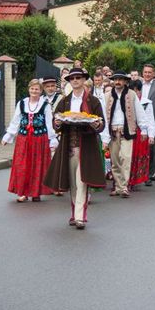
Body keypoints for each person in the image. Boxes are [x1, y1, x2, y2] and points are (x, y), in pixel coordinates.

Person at [44, 68, 106, 230]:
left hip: (86, 147)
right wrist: (57, 123)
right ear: (69, 81)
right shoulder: (65, 101)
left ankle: (80, 216)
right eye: (72, 78)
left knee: (82, 181)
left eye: (78, 78)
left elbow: (101, 123)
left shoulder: (93, 101)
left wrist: (96, 125)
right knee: (72, 181)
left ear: (84, 80)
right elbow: (56, 119)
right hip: (68, 147)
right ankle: (74, 212)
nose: (75, 80)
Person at [2, 79, 58, 202]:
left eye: (37, 89)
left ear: (40, 91)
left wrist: (52, 140)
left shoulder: (45, 105)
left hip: (40, 139)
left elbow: (49, 124)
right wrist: (8, 136)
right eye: (32, 88)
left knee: (37, 165)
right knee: (22, 165)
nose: (34, 91)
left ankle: (36, 192)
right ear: (29, 89)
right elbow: (16, 120)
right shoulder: (22, 103)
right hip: (23, 139)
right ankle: (23, 193)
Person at [103, 71, 148, 198]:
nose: (118, 82)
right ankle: (118, 186)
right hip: (112, 130)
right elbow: (103, 115)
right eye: (115, 79)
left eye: (120, 80)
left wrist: (144, 129)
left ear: (125, 81)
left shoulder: (131, 94)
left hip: (127, 130)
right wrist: (104, 135)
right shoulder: (106, 95)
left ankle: (123, 187)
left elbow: (139, 112)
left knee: (125, 158)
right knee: (115, 161)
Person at [128, 79, 155, 189]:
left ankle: (137, 179)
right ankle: (128, 179)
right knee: (129, 156)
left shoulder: (146, 103)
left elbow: (150, 119)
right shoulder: (127, 101)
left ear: (140, 91)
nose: (134, 93)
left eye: (136, 91)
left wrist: (151, 135)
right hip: (130, 131)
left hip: (141, 133)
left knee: (140, 156)